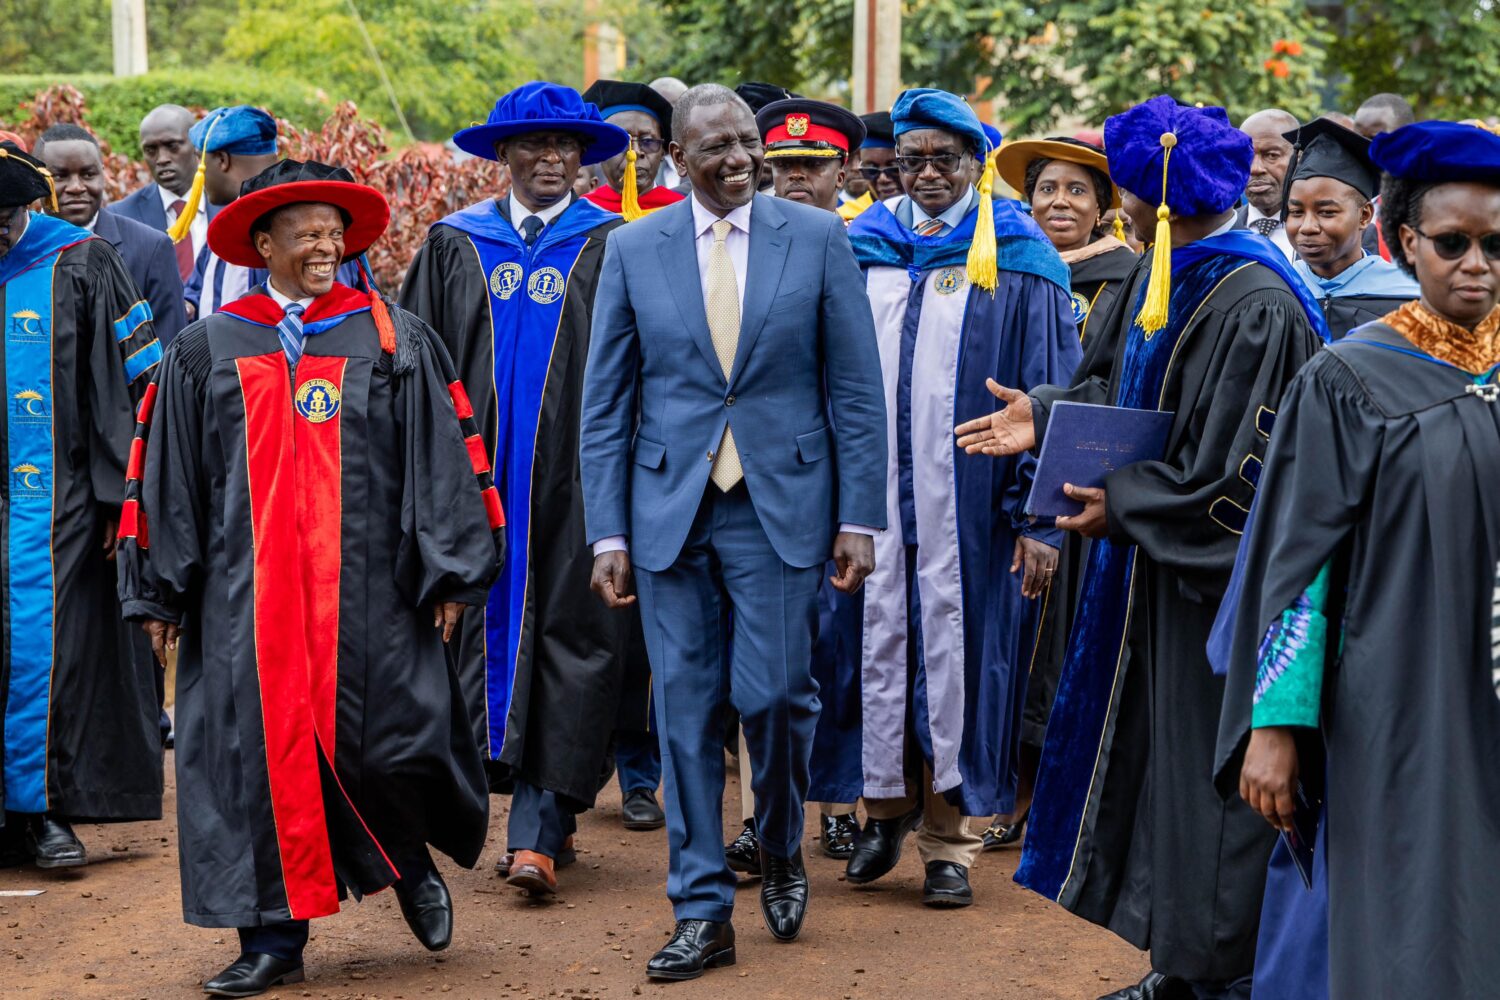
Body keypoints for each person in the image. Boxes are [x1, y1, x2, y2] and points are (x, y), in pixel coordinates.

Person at [957, 95, 1327, 1000]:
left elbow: (1241, 479)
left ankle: (1227, 973)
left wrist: (1118, 504)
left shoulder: (1259, 302)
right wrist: (1043, 414)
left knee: (1216, 782)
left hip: (1221, 594)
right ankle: (1179, 958)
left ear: (1134, 195)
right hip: (1146, 576)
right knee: (1159, 770)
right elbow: (1111, 388)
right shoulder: (1162, 271)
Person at [118, 159, 504, 997]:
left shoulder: (391, 337)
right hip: (241, 602)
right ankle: (272, 940)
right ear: (264, 245)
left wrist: (449, 572)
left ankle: (408, 864)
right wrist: (156, 588)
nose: (327, 244)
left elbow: (444, 457)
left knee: (393, 739)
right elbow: (168, 477)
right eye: (307, 232)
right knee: (247, 762)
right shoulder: (209, 345)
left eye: (336, 231)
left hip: (370, 595)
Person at [580, 83, 887, 980]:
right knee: (684, 710)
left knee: (779, 695)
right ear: (679, 158)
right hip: (668, 508)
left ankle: (783, 844)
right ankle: (703, 908)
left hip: (780, 504)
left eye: (748, 141)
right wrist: (609, 533)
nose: (742, 157)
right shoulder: (634, 248)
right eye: (717, 145)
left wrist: (858, 517)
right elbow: (606, 405)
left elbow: (856, 392)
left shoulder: (821, 239)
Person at [1216, 119, 1500, 1000]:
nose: (1477, 266)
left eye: (1496, 245)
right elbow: (1298, 565)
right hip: (1398, 697)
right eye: (1452, 244)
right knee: (1404, 901)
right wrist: (1276, 725)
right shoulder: (1351, 379)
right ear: (1405, 241)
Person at [400, 82, 656, 892]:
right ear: (502, 156)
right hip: (472, 487)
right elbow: (413, 368)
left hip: (580, 483)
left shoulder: (615, 245)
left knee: (576, 636)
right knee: (468, 634)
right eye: (533, 146)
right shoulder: (452, 244)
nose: (551, 158)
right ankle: (503, 806)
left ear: (584, 158)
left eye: (566, 147)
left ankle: (542, 826)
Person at [833, 89, 1079, 908]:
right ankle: (882, 812)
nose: (929, 173)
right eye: (913, 159)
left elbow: (1054, 389)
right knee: (869, 647)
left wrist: (1041, 518)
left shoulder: (1019, 252)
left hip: (972, 508)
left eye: (946, 159)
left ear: (977, 163)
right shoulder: (864, 241)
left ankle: (951, 843)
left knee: (963, 659)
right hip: (870, 502)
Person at [0, 142, 163, 873]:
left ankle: (40, 813)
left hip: (55, 500)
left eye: (3, 219)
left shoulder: (81, 263)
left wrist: (119, 497)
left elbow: (139, 389)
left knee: (46, 652)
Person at [985, 133, 1136, 850]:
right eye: (1047, 188)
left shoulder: (1132, 277)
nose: (1060, 202)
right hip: (1005, 480)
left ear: (1106, 208)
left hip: (1082, 489)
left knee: (1062, 644)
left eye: (1079, 190)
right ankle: (999, 778)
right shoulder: (1006, 268)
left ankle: (1045, 790)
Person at [751, 96, 868, 862]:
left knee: (843, 647)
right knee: (764, 658)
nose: (798, 182)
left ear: (844, 170)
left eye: (813, 168)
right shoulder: (734, 243)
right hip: (764, 475)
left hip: (840, 466)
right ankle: (766, 813)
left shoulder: (872, 242)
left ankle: (837, 799)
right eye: (785, 168)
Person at [35, 125, 186, 344]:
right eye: (60, 176)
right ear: (37, 179)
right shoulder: (16, 247)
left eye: (88, 174)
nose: (76, 187)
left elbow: (171, 348)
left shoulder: (150, 248)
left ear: (103, 175)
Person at [1280, 117, 1419, 338]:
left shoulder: (1406, 298)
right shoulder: (1276, 290)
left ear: (1364, 216)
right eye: (1296, 212)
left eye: (1326, 212)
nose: (1307, 227)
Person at [178, 106, 281, 318]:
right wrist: (189, 304)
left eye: (200, 159)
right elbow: (199, 288)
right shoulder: (228, 220)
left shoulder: (294, 222)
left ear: (222, 160)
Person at [113, 104, 206, 285]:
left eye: (172, 146)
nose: (162, 159)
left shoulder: (229, 206)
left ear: (197, 146)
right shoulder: (121, 216)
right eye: (151, 150)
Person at [580, 79, 686, 220]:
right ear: (601, 151)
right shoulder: (581, 214)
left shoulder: (683, 211)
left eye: (647, 141)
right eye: (623, 142)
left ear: (663, 151)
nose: (634, 152)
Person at [1235, 109, 1299, 259]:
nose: (1255, 168)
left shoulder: (1322, 233)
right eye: (1247, 156)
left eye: (1271, 155)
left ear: (1299, 157)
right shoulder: (1221, 231)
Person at [839, 111, 899, 222]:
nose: (883, 179)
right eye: (871, 170)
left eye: (893, 168)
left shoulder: (930, 215)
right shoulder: (848, 218)